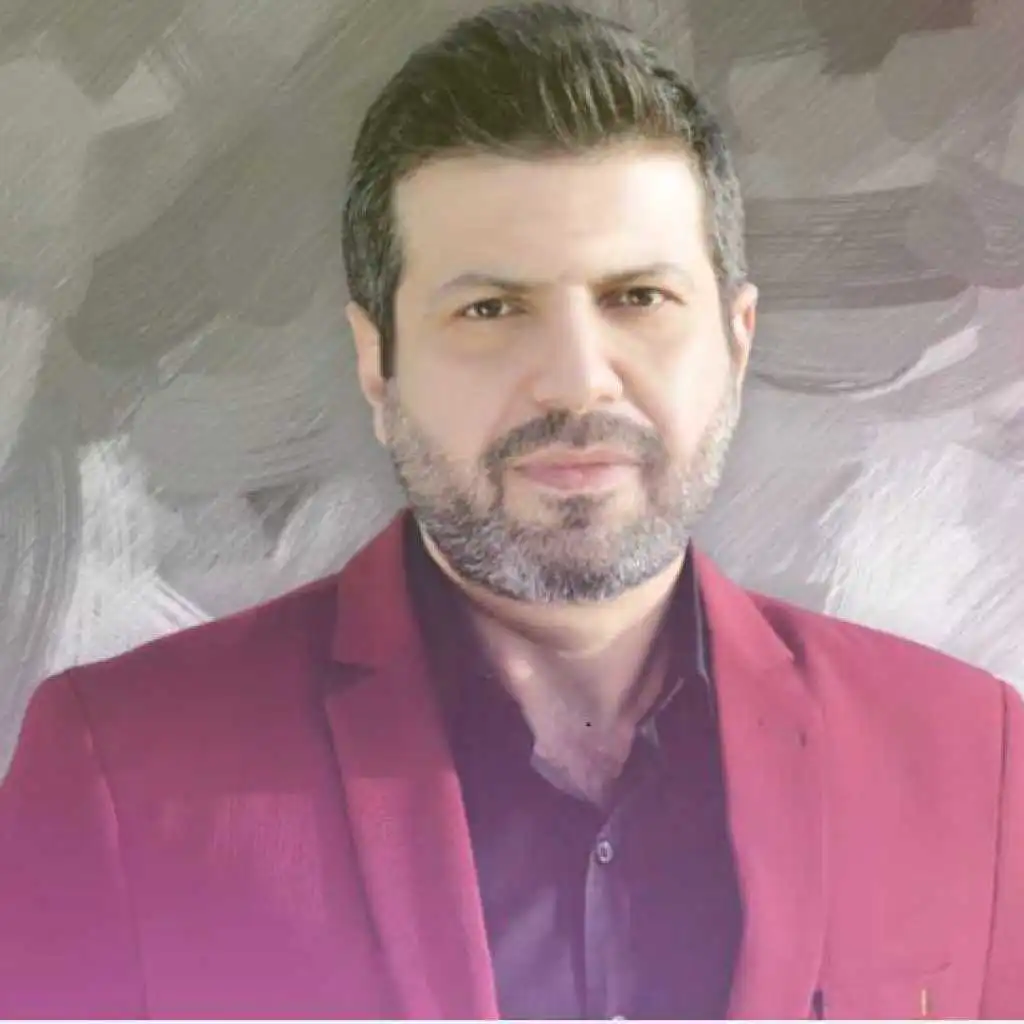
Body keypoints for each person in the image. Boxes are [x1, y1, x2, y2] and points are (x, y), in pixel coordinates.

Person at [1, 2, 1022, 1019]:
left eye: (638, 298)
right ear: (377, 363)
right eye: (489, 308)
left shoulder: (976, 761)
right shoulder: (119, 772)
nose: (575, 380)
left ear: (736, 338)